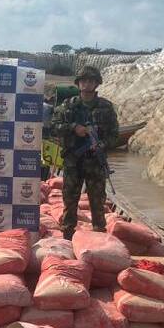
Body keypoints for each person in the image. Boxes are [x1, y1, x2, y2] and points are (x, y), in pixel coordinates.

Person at [47, 65, 119, 238]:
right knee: (70, 200)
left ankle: (99, 237)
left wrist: (102, 144)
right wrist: (73, 128)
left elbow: (114, 135)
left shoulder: (106, 107)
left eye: (91, 81)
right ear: (78, 83)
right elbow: (53, 128)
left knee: (97, 201)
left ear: (97, 84)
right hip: (73, 161)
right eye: (84, 81)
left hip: (95, 162)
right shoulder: (68, 106)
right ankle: (68, 235)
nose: (87, 84)